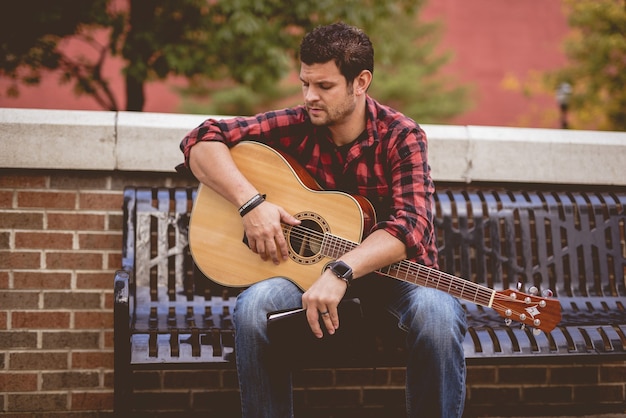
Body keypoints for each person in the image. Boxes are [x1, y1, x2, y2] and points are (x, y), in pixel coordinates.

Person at [179, 22, 467, 418]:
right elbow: (201, 139)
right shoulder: (298, 123)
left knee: (439, 315)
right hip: (305, 277)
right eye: (304, 84)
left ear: (360, 82)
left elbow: (411, 227)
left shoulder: (401, 136)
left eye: (324, 87)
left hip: (398, 279)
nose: (310, 97)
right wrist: (251, 205)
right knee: (252, 308)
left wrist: (340, 271)